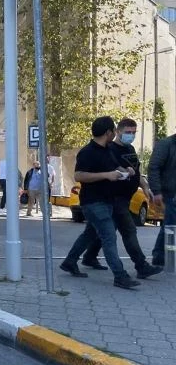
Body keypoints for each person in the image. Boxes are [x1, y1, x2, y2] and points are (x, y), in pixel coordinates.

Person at [60, 116, 139, 289]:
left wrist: (125, 171)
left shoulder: (107, 150)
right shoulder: (88, 152)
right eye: (113, 131)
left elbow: (113, 166)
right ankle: (120, 275)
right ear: (108, 132)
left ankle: (69, 261)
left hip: (107, 201)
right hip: (93, 203)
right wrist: (106, 175)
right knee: (109, 237)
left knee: (89, 234)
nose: (114, 135)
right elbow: (79, 175)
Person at [80, 118, 162, 279]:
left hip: (124, 198)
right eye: (128, 132)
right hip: (113, 198)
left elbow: (137, 172)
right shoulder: (109, 148)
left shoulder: (130, 149)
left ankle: (87, 257)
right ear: (117, 132)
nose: (131, 135)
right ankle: (140, 266)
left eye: (133, 132)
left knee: (96, 232)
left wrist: (145, 187)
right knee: (128, 231)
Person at [148, 129, 176, 267]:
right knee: (171, 225)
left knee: (169, 225)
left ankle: (160, 257)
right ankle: (160, 257)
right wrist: (156, 191)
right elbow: (153, 167)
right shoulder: (166, 144)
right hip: (170, 193)